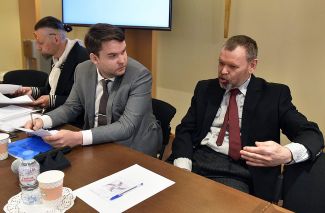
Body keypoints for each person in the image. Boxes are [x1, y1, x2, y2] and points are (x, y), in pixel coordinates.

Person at [168, 35, 324, 201]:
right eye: (221, 63)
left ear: (252, 65)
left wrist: (287, 154)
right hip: (194, 161)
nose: (223, 71)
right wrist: (183, 164)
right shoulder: (205, 88)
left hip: (238, 173)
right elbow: (185, 129)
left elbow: (312, 134)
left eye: (232, 66)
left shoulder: (273, 95)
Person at [25, 23, 162, 157]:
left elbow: (126, 126)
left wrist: (79, 137)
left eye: (123, 51)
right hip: (95, 142)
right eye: (113, 56)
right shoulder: (82, 70)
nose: (122, 60)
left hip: (132, 146)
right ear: (94, 58)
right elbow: (71, 107)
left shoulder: (140, 75)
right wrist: (43, 121)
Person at [15, 16, 89, 111]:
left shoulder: (83, 59)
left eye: (41, 43)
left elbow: (84, 100)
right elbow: (53, 90)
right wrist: (33, 91)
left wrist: (53, 100)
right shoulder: (55, 56)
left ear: (56, 39)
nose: (38, 47)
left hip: (73, 122)